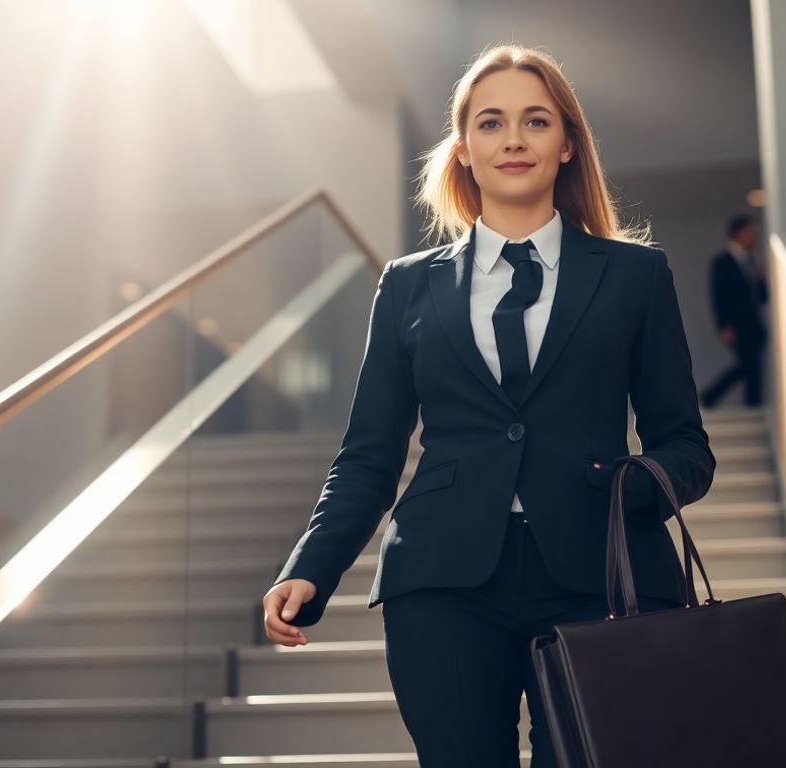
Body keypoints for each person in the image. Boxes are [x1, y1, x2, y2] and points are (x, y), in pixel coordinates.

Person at [261, 44, 715, 768]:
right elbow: (369, 455)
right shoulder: (407, 286)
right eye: (490, 122)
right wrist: (309, 566)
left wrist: (627, 488)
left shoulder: (637, 276)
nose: (512, 139)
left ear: (567, 144)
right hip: (441, 586)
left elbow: (687, 447)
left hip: (599, 580)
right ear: (464, 148)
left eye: (535, 121)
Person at [699, 214, 768, 408]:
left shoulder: (752, 263)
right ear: (738, 234)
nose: (754, 237)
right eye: (750, 233)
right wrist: (724, 326)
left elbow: (762, 298)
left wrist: (762, 281)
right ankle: (712, 395)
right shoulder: (722, 262)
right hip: (737, 325)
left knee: (752, 365)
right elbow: (718, 297)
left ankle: (751, 403)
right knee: (749, 364)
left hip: (754, 324)